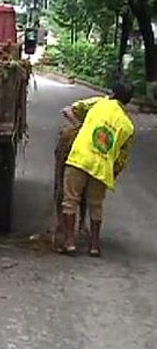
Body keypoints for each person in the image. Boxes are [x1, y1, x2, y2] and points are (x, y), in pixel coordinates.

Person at [60, 80, 135, 256]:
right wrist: (112, 173)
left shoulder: (99, 103)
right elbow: (122, 159)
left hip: (80, 158)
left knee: (70, 200)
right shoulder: (128, 126)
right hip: (102, 167)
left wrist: (80, 127)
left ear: (112, 93)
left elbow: (68, 110)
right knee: (96, 205)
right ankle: (94, 246)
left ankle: (70, 242)